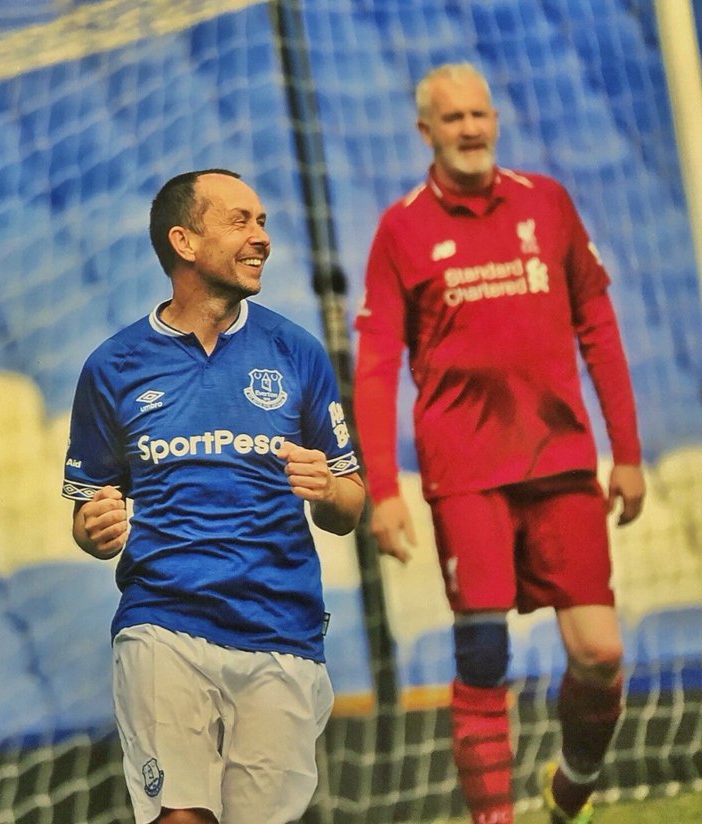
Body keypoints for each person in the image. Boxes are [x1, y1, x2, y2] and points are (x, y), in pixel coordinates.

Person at [352, 63, 646, 824]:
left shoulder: (546, 203)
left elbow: (598, 325)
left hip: (562, 462)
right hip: (466, 475)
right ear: (426, 132)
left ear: (496, 120)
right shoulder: (401, 229)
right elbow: (376, 365)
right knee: (483, 657)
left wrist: (628, 453)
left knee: (601, 653)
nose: (471, 129)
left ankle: (572, 785)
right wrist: (383, 490)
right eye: (453, 119)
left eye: (480, 114)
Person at [63, 169, 366, 824]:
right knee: (182, 817)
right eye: (240, 221)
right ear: (185, 242)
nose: (261, 237)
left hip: (281, 628)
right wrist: (94, 528)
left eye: (263, 222)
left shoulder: (297, 352)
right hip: (162, 620)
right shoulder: (113, 367)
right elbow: (88, 513)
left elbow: (349, 505)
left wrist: (327, 491)